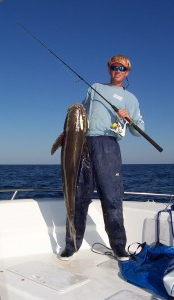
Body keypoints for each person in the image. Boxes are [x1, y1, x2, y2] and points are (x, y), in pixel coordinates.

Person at [60, 54, 145, 261]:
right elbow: (82, 111)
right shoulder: (95, 87)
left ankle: (118, 246)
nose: (118, 70)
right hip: (84, 143)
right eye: (114, 67)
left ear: (128, 73)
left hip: (108, 145)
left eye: (123, 68)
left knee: (111, 198)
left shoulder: (131, 98)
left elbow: (139, 130)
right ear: (109, 69)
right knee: (79, 197)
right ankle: (72, 244)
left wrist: (130, 119)